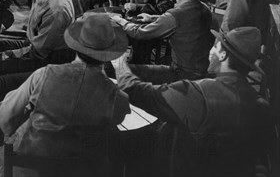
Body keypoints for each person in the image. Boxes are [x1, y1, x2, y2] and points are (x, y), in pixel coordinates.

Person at [112, 26, 273, 177]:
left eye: (215, 46)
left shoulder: (199, 93)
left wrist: (120, 64)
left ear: (222, 55)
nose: (210, 52)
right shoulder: (263, 107)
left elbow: (136, 91)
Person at [0, 13, 130, 177]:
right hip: (82, 170)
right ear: (110, 55)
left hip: (32, 167)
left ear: (75, 45)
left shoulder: (44, 75)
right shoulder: (116, 96)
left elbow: (3, 117)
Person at [110, 0, 213, 83]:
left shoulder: (176, 14)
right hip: (199, 72)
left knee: (121, 70)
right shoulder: (205, 9)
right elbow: (184, 23)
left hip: (181, 75)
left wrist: (120, 20)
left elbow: (139, 33)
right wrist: (153, 18)